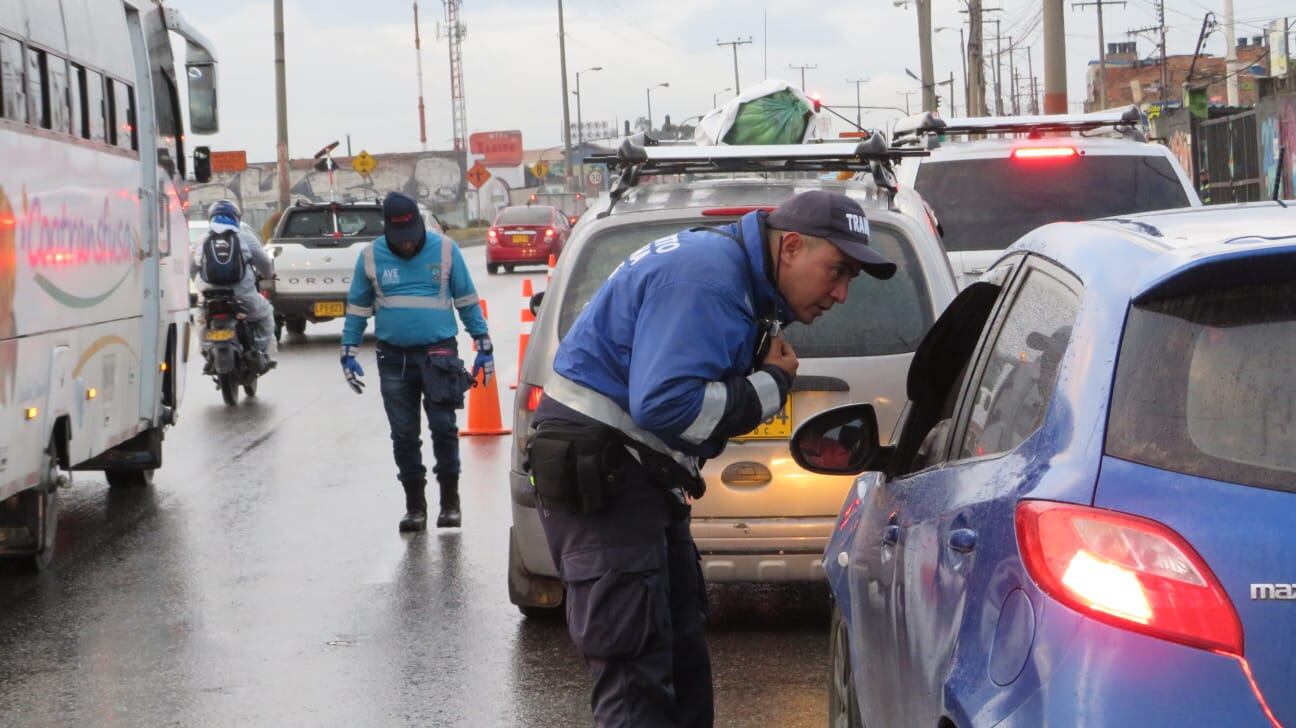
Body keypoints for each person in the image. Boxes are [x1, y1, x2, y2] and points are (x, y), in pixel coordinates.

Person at [526, 190, 896, 727]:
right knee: (635, 680)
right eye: (837, 271)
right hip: (608, 479)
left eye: (850, 280)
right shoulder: (709, 279)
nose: (840, 294)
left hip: (637, 478)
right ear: (791, 246)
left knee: (680, 669)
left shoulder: (729, 274)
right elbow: (666, 405)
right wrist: (771, 386)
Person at [339, 192, 493, 532]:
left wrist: (483, 343)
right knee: (404, 436)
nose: (407, 245)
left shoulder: (446, 250)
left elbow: (467, 301)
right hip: (393, 359)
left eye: (411, 237)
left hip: (439, 355)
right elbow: (358, 308)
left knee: (444, 428)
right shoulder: (371, 257)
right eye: (400, 239)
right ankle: (415, 507)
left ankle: (450, 503)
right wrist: (348, 349)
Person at [192, 199, 278, 370]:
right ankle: (262, 353)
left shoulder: (202, 239)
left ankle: (207, 353)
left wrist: (201, 285)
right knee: (266, 314)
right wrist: (268, 276)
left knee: (201, 320)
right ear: (236, 217)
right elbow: (264, 263)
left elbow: (191, 268)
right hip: (242, 295)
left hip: (209, 296)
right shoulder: (245, 237)